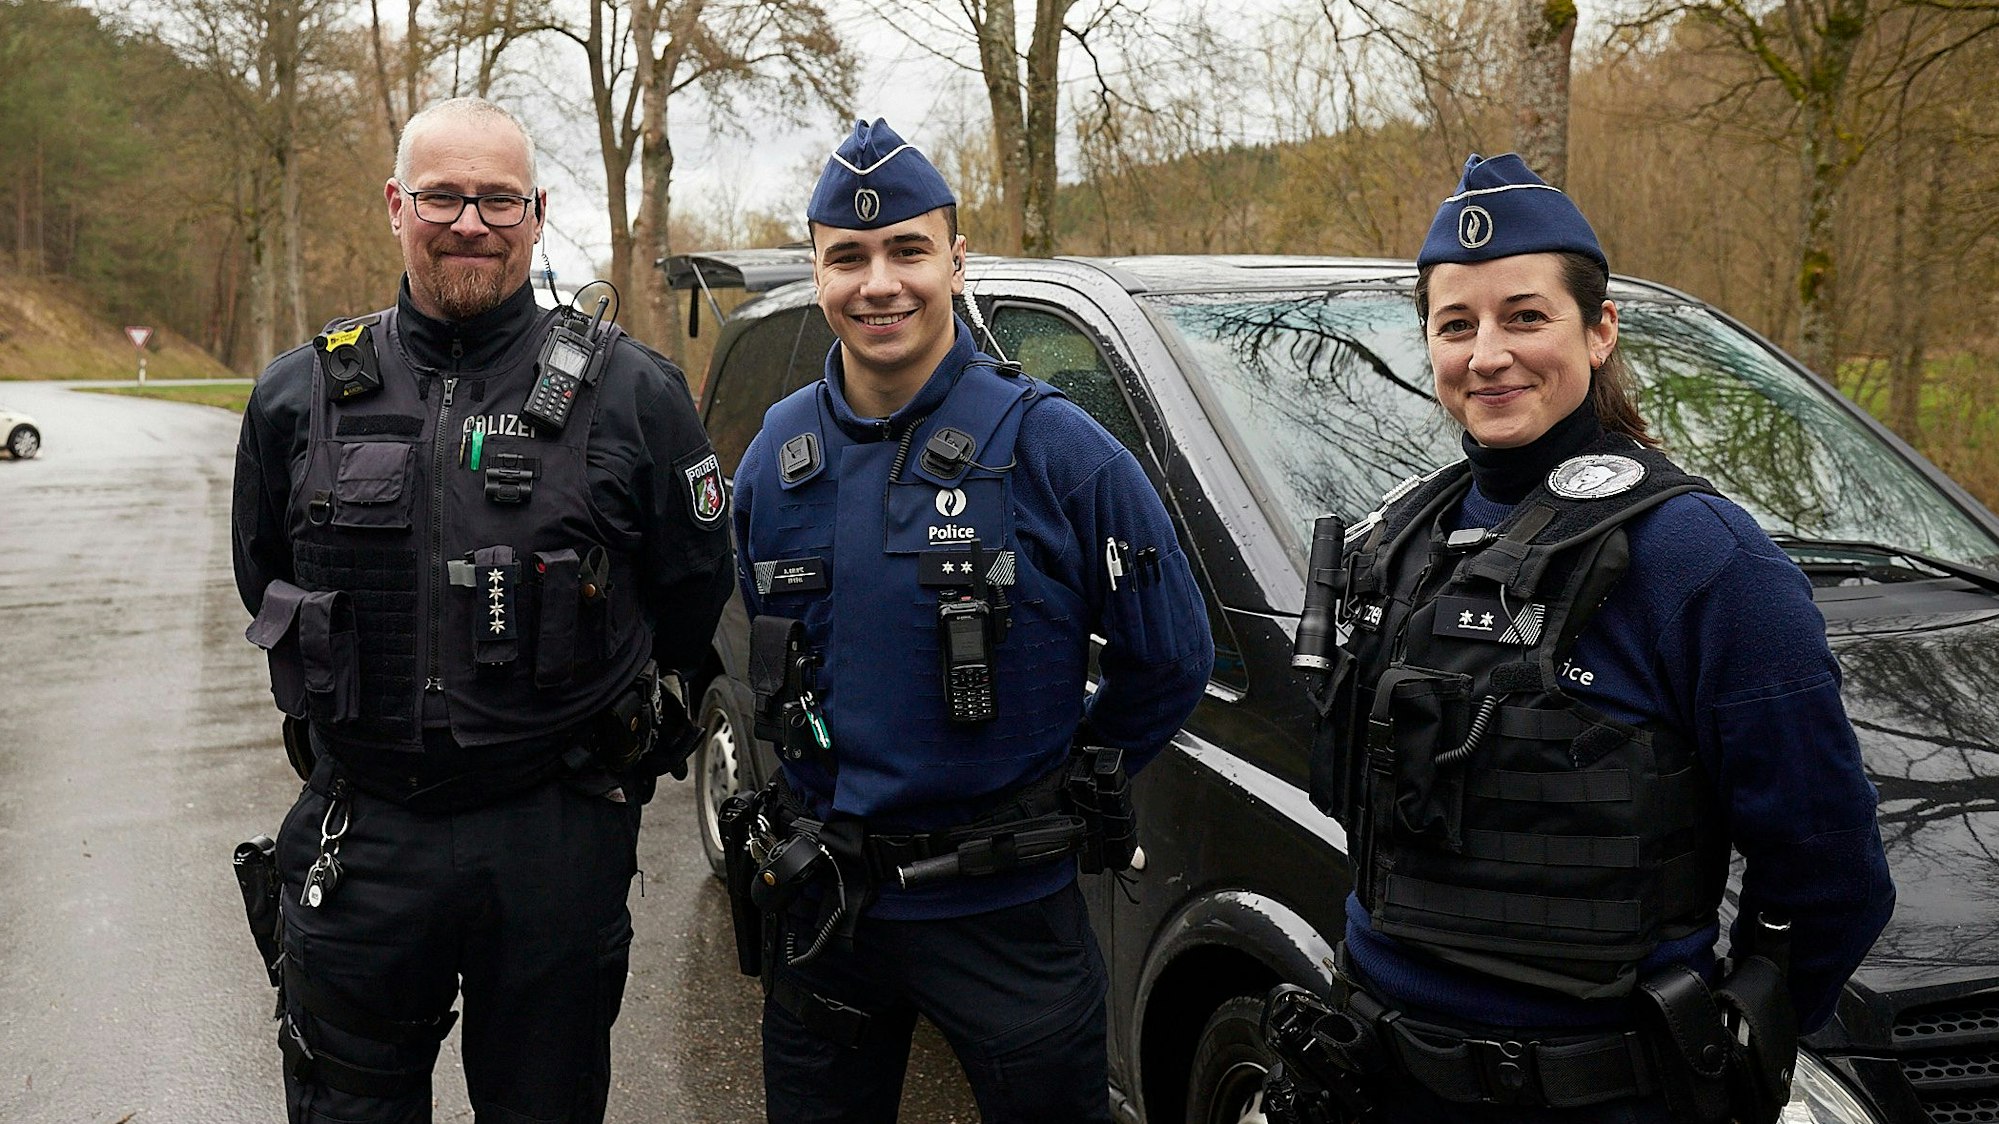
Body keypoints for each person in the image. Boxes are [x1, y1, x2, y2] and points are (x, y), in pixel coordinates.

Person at [1272, 154, 1895, 1124]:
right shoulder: (1396, 537)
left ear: (1598, 330)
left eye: (1525, 316)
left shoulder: (1702, 559)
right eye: (1455, 324)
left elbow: (1830, 875)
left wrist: (1733, 1051)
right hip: (1376, 1072)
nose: (1487, 354)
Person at [230, 96, 733, 1122]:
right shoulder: (299, 394)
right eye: (442, 197)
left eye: (498, 199)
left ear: (537, 213)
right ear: (395, 205)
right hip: (363, 830)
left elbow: (691, 590)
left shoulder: (632, 392)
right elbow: (264, 570)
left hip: (551, 832)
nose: (470, 223)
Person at [725, 118, 1214, 1123]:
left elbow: (1170, 656)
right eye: (848, 257)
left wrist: (1061, 782)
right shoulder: (774, 456)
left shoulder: (1059, 450)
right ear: (817, 272)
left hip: (1005, 914)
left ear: (956, 258)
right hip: (828, 907)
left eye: (907, 249)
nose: (879, 283)